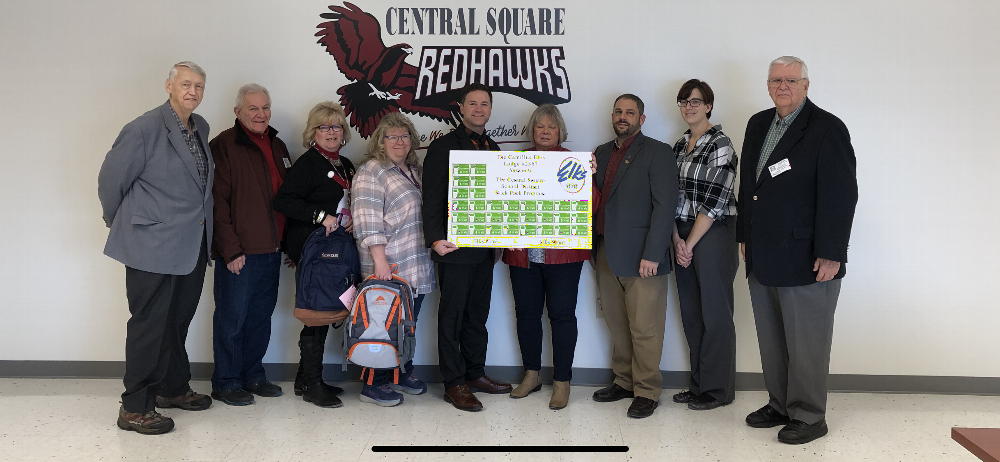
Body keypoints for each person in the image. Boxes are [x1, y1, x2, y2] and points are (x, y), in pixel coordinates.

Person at [736, 56, 858, 444]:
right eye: (776, 80)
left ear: (806, 85)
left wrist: (832, 251)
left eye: (791, 79)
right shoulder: (758, 124)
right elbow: (749, 187)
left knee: (806, 341)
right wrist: (743, 235)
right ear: (768, 85)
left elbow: (842, 195)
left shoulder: (827, 128)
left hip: (808, 257)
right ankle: (780, 404)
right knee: (771, 338)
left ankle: (808, 415)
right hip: (762, 251)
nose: (782, 86)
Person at [98, 62, 214, 435]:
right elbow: (110, 181)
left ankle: (171, 388)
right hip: (151, 244)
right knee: (150, 324)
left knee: (177, 320)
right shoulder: (144, 127)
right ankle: (134, 407)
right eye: (185, 84)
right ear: (168, 86)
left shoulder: (202, 128)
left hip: (192, 242)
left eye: (198, 85)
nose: (192, 91)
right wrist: (126, 224)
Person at [422, 83, 513, 412]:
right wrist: (434, 239)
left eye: (484, 104)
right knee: (453, 317)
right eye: (472, 103)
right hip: (454, 248)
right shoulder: (443, 146)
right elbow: (431, 198)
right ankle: (454, 382)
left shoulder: (494, 147)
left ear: (490, 109)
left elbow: (500, 199)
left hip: (486, 250)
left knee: (478, 316)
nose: (478, 109)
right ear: (460, 108)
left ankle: (475, 373)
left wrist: (502, 238)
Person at [591, 94, 678, 419]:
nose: (623, 116)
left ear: (642, 119)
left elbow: (664, 206)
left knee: (645, 328)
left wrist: (653, 253)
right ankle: (624, 381)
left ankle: (646, 390)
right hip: (605, 253)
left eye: (630, 112)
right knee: (617, 324)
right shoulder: (600, 152)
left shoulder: (658, 152)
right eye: (618, 111)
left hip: (644, 257)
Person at [504, 104, 590, 410]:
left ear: (560, 132)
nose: (544, 131)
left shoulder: (576, 162)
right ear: (532, 130)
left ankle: (562, 381)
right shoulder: (513, 163)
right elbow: (501, 204)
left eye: (550, 127)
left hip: (564, 255)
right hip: (522, 255)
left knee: (562, 316)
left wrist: (587, 179)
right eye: (539, 126)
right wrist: (504, 234)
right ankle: (531, 374)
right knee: (526, 314)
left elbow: (591, 206)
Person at [208, 84, 290, 406]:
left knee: (260, 318)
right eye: (253, 108)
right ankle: (226, 382)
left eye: (265, 107)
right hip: (240, 253)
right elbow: (217, 203)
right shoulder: (224, 146)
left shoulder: (278, 144)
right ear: (237, 111)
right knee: (231, 319)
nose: (261, 114)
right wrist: (230, 249)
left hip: (271, 251)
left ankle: (253, 375)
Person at [273, 101, 357, 409]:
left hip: (335, 250)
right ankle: (312, 383)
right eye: (324, 127)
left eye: (336, 126)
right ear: (313, 133)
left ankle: (305, 379)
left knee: (324, 310)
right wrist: (321, 215)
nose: (331, 132)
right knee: (316, 313)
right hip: (314, 250)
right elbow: (283, 201)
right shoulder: (308, 163)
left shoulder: (345, 164)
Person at [351, 112, 434, 407]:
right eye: (392, 136)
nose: (399, 141)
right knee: (383, 325)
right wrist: (379, 262)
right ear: (380, 141)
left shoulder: (413, 170)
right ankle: (374, 383)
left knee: (406, 325)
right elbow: (366, 220)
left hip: (416, 263)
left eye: (404, 135)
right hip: (389, 264)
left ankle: (401, 371)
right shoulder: (372, 171)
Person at [669, 79, 740, 411]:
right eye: (684, 101)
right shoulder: (677, 146)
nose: (689, 106)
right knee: (692, 313)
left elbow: (714, 202)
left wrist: (689, 243)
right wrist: (676, 239)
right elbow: (666, 197)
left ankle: (717, 390)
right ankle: (698, 384)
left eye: (696, 101)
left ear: (709, 105)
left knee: (715, 313)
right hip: (682, 233)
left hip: (713, 232)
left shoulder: (720, 144)